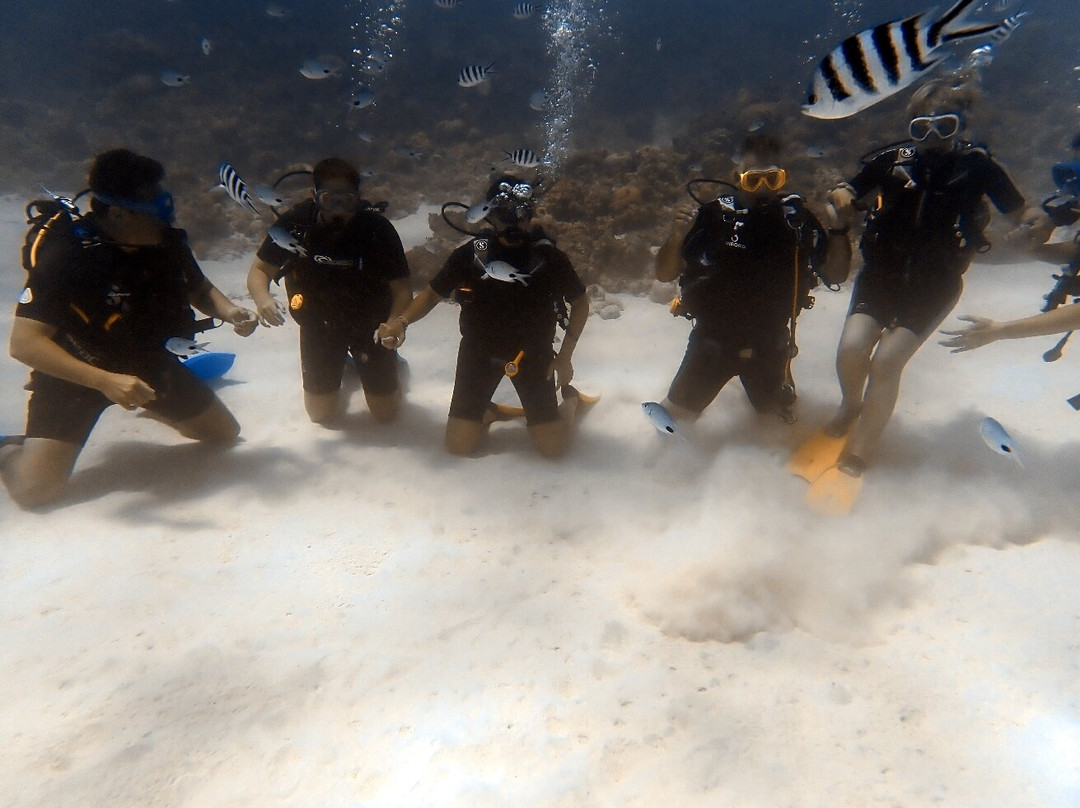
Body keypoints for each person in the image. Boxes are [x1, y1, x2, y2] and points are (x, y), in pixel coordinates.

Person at [794, 80, 1027, 513]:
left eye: (945, 126)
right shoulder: (890, 159)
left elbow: (1020, 211)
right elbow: (848, 188)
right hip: (880, 276)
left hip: (935, 285)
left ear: (961, 126)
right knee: (852, 349)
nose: (933, 139)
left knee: (886, 362)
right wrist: (842, 197)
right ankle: (850, 406)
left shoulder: (980, 167)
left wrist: (1037, 225)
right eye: (922, 128)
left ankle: (860, 451)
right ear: (910, 129)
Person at [0, 149, 257, 508]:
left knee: (224, 434)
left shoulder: (167, 242)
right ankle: (9, 449)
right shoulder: (67, 256)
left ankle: (155, 406)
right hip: (76, 375)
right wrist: (104, 381)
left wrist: (231, 311)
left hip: (147, 365)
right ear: (118, 214)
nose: (165, 219)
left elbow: (198, 287)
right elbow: (25, 344)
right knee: (35, 492)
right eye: (154, 209)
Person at [374, 175, 589, 458]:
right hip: (478, 353)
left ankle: (571, 402)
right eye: (502, 215)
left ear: (530, 215)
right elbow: (430, 295)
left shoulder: (549, 260)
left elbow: (581, 303)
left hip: (533, 356)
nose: (512, 224)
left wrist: (564, 356)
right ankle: (486, 412)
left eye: (520, 215)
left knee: (553, 449)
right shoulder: (470, 256)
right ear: (489, 217)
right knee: (458, 446)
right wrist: (400, 323)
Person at [653, 133, 850, 429]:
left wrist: (839, 229)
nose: (762, 189)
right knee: (678, 417)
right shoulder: (713, 216)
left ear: (783, 179)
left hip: (769, 343)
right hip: (712, 341)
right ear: (737, 176)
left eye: (772, 179)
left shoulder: (795, 220)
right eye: (753, 179)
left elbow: (835, 274)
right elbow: (665, 273)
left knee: (775, 422)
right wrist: (677, 236)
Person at [246, 158, 411, 425]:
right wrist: (263, 299)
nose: (338, 208)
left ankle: (389, 365)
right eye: (328, 199)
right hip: (318, 324)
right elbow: (260, 270)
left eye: (346, 200)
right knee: (320, 415)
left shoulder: (377, 230)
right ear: (314, 197)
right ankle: (346, 365)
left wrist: (394, 324)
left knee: (387, 414)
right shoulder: (297, 224)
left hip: (371, 327)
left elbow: (402, 289)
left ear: (358, 198)